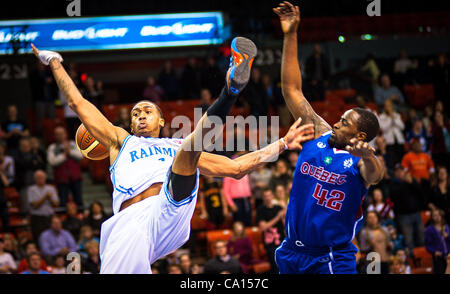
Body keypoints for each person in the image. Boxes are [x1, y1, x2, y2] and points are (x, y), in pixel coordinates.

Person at [31, 39, 314, 274]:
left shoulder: (175, 144)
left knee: (188, 150)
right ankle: (229, 91)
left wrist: (282, 143)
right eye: (135, 113)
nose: (141, 115)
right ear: (130, 124)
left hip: (170, 208)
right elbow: (77, 102)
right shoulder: (120, 141)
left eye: (147, 111)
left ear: (160, 120)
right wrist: (54, 62)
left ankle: (230, 90)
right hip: (129, 221)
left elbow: (236, 167)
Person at [273, 2, 384, 274]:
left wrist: (369, 155)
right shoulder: (321, 133)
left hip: (331, 257)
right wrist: (290, 34)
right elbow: (291, 89)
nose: (335, 122)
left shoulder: (360, 163)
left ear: (358, 135)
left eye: (343, 123)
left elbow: (376, 174)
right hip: (290, 251)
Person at [389, 164, 425, 253]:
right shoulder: (393, 183)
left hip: (416, 213)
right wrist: (405, 182)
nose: (400, 173)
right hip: (403, 216)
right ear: (395, 173)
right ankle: (412, 261)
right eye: (398, 171)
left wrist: (412, 182)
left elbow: (420, 191)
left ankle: (423, 257)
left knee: (421, 237)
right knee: (408, 240)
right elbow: (394, 195)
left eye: (401, 170)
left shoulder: (410, 180)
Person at [47, 126, 83, 210]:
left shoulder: (72, 144)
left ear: (65, 134)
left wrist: (69, 152)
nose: (60, 136)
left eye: (61, 134)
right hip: (61, 179)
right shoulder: (52, 147)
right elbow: (52, 161)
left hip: (75, 177)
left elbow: (80, 156)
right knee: (63, 201)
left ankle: (81, 217)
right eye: (57, 134)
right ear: (55, 136)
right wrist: (64, 155)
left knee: (78, 200)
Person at [256, 187, 286, 273]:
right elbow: (263, 227)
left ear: (272, 196)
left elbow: (285, 225)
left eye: (269, 195)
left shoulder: (278, 208)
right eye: (265, 196)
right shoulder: (260, 210)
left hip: (282, 240)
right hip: (270, 243)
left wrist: (284, 212)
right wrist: (277, 217)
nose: (267, 198)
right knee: (275, 267)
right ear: (263, 197)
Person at [27, 170, 59, 242]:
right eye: (39, 178)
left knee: (51, 239)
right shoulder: (31, 189)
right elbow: (34, 205)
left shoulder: (51, 188)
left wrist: (50, 198)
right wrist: (45, 197)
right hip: (37, 219)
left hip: (49, 218)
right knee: (39, 239)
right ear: (35, 179)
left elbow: (56, 204)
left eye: (42, 178)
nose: (41, 180)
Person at [379, 99, 405, 169]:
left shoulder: (397, 115)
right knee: (392, 161)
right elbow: (384, 128)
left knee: (401, 159)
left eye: (390, 106)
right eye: (387, 106)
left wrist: (394, 119)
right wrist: (390, 119)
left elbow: (402, 127)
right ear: (384, 107)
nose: (388, 108)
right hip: (389, 142)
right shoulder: (382, 116)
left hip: (399, 141)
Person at [424, 209, 450, 274]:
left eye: (438, 215)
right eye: (435, 215)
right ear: (432, 218)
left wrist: (448, 236)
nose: (437, 217)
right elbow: (427, 245)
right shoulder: (429, 229)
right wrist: (434, 251)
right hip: (439, 257)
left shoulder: (446, 227)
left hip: (448, 255)